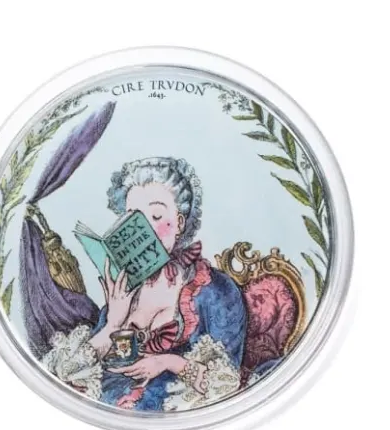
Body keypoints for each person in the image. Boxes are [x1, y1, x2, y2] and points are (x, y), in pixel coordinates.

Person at [43, 157, 247, 411]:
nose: (144, 231)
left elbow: (225, 384)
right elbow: (68, 373)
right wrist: (113, 323)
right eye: (133, 220)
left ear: (180, 223)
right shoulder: (127, 288)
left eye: (156, 216)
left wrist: (167, 362)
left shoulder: (214, 291)